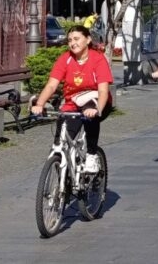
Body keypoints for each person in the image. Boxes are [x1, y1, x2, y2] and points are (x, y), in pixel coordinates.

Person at [31, 25, 113, 174]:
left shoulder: (97, 59)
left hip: (97, 100)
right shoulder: (65, 59)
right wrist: (40, 104)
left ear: (88, 40)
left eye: (76, 39)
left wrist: (97, 109)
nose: (73, 43)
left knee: (89, 115)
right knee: (61, 139)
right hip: (73, 103)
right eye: (69, 40)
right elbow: (51, 85)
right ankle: (64, 179)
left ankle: (91, 155)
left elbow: (103, 90)